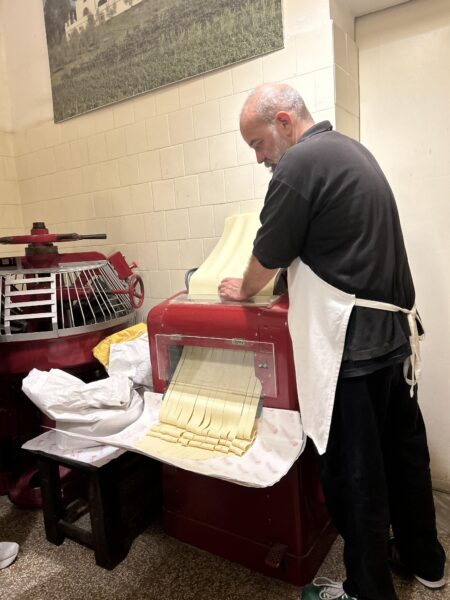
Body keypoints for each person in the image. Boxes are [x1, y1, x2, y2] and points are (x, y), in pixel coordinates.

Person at [218, 83, 446, 600]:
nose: (259, 158)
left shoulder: (297, 166)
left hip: (352, 350)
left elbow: (267, 255)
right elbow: (337, 248)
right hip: (394, 341)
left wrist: (243, 288)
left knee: (354, 476)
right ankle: (426, 561)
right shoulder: (351, 150)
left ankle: (367, 590)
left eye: (257, 143)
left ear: (283, 120)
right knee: (404, 460)